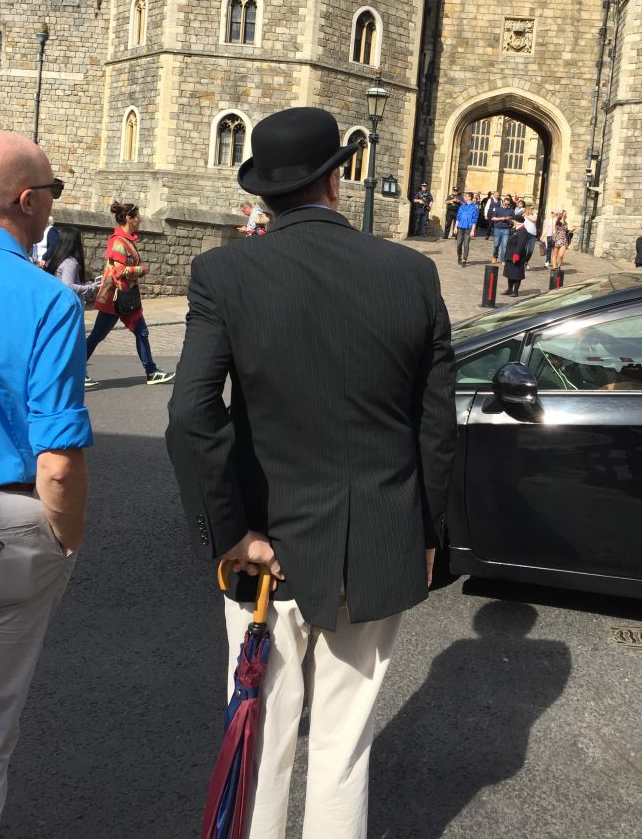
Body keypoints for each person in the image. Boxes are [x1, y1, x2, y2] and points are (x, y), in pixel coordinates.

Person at [166, 107, 456, 839]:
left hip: (267, 548)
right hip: (380, 540)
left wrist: (230, 532)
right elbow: (436, 428)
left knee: (262, 736)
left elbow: (192, 416)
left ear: (263, 193)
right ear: (337, 177)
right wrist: (427, 533)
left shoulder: (223, 272)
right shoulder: (413, 273)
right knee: (343, 745)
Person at [0, 131, 91, 839]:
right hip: (0, 525)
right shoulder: (46, 300)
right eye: (53, 192)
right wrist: (64, 539)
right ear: (27, 199)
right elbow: (58, 458)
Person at [84, 201, 175, 389]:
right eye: (138, 216)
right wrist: (141, 269)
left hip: (126, 297)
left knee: (141, 332)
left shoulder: (126, 240)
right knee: (97, 336)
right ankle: (74, 371)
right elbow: (119, 270)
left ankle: (151, 372)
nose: (140, 219)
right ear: (129, 218)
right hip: (115, 298)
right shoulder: (118, 241)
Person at [45, 225, 98, 299]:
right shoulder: (70, 262)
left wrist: (84, 285)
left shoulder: (58, 259)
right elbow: (69, 286)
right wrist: (90, 287)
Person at [502, 213, 529, 296]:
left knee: (517, 274)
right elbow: (511, 233)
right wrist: (513, 227)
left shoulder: (523, 231)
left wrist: (516, 255)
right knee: (509, 273)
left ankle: (515, 291)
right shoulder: (516, 229)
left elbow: (521, 245)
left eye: (514, 220)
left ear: (517, 222)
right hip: (510, 254)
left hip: (517, 255)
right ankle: (509, 289)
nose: (513, 221)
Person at [455, 191, 479, 267]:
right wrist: (455, 227)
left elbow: (474, 219)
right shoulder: (462, 206)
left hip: (468, 228)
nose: (464, 197)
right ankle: (459, 256)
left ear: (470, 197)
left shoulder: (474, 207)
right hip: (460, 227)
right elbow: (458, 217)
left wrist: (473, 230)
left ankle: (464, 260)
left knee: (466, 244)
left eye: (466, 196)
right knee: (459, 244)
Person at [490, 194, 514, 262]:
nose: (507, 205)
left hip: (506, 229)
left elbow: (513, 221)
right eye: (506, 204)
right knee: (496, 244)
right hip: (497, 228)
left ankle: (503, 259)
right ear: (503, 202)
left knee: (504, 245)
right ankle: (495, 256)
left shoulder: (511, 211)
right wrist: (501, 218)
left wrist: (509, 219)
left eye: (508, 204)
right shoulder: (498, 209)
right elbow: (492, 218)